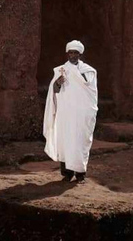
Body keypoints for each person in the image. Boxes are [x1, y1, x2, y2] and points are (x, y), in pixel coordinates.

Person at [43, 40, 98, 183]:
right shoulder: (60, 70)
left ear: (80, 54)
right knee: (65, 141)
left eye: (75, 53)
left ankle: (80, 174)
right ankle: (67, 174)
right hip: (66, 113)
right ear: (67, 54)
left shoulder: (88, 71)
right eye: (70, 52)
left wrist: (77, 74)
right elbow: (53, 91)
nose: (72, 55)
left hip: (81, 113)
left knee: (80, 141)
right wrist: (57, 84)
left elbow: (90, 89)